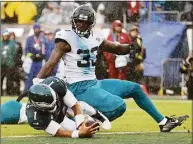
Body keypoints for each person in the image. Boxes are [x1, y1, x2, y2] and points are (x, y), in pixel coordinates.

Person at [35, 4, 188, 132]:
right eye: (78, 21)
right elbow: (50, 63)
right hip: (78, 87)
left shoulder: (96, 36)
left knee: (135, 88)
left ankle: (163, 123)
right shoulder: (65, 39)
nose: (80, 25)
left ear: (91, 23)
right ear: (73, 21)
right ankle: (77, 120)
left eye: (84, 22)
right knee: (119, 106)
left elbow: (115, 48)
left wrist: (130, 47)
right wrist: (38, 82)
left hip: (93, 83)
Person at [24, 24, 46, 91]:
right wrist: (31, 55)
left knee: (40, 77)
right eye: (35, 29)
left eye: (38, 29)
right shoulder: (29, 39)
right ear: (33, 29)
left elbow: (45, 49)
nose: (37, 30)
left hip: (40, 61)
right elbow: (26, 50)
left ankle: (39, 91)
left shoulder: (43, 38)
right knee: (30, 77)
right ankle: (28, 91)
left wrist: (42, 55)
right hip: (32, 61)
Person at [1, 29, 17, 95]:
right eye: (5, 35)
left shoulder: (12, 43)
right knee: (0, 80)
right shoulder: (0, 43)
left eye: (7, 35)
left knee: (9, 80)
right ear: (2, 36)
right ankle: (1, 93)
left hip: (10, 65)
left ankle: (8, 93)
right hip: (1, 65)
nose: (6, 37)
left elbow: (14, 54)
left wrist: (11, 62)